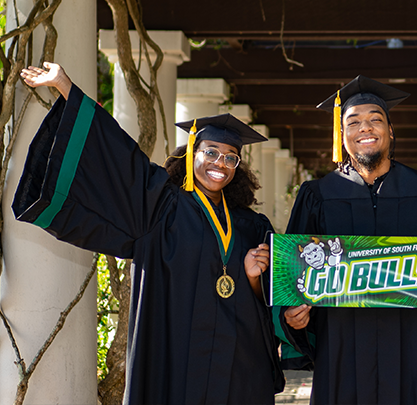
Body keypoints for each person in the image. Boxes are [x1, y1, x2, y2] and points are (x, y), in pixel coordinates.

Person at [13, 62, 284, 404]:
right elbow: (119, 158)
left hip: (240, 362)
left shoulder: (251, 225)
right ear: (192, 155)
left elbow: (271, 299)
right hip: (175, 357)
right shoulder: (160, 205)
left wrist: (252, 276)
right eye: (211, 152)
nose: (220, 163)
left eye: (231, 158)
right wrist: (66, 86)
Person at [274, 75, 417, 404]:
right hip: (341, 345)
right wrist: (293, 317)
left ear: (391, 131)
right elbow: (293, 279)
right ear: (341, 134)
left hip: (410, 346)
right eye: (354, 121)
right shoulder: (317, 196)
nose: (366, 128)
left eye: (376, 119)